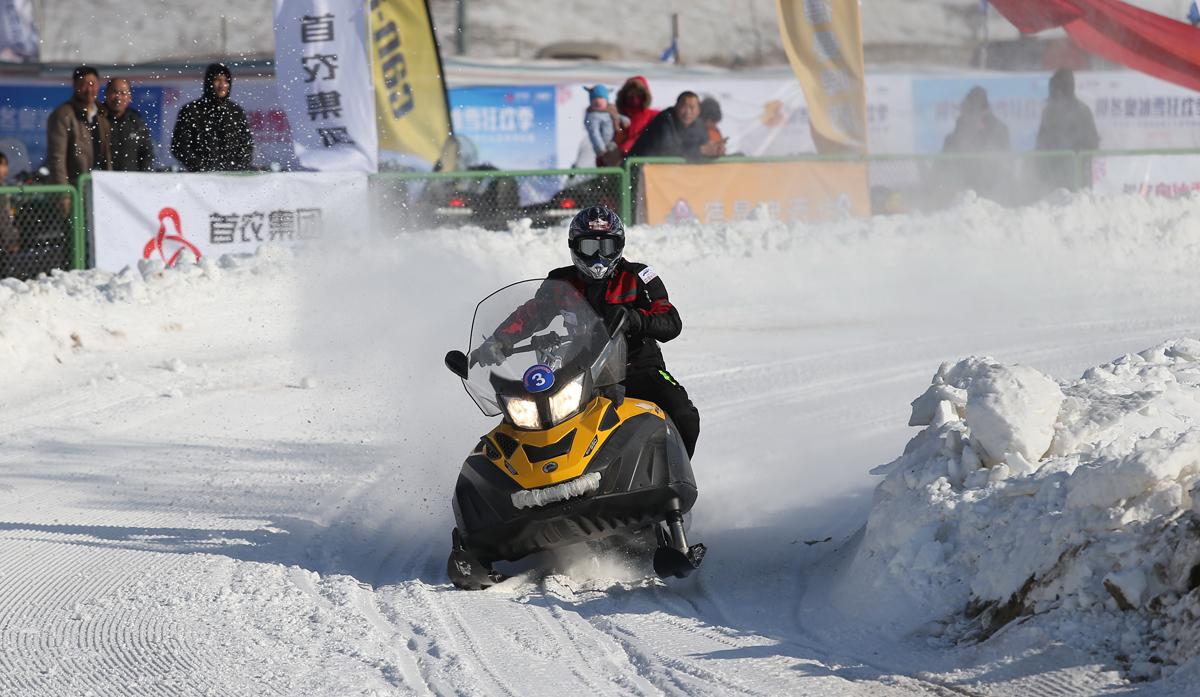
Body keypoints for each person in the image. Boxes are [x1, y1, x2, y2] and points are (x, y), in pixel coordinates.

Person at [472, 206, 700, 457]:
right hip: (581, 369)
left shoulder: (638, 276)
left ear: (620, 245)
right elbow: (532, 314)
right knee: (534, 416)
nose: (599, 257)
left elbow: (670, 320)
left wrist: (634, 319)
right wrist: (501, 339)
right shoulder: (561, 283)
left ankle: (676, 474)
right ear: (575, 247)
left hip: (637, 364)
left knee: (683, 413)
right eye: (590, 247)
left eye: (607, 247)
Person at [170, 63, 254, 172]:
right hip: (201, 180)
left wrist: (237, 169)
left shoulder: (236, 112)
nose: (222, 85)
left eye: (226, 81)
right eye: (217, 80)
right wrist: (202, 169)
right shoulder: (191, 111)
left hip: (233, 180)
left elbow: (246, 146)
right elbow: (179, 147)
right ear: (209, 82)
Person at [938, 86, 1011, 203]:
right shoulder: (963, 125)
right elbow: (951, 155)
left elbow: (1003, 159)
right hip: (964, 183)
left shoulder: (997, 128)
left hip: (990, 183)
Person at [46, 65, 112, 190]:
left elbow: (106, 155)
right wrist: (63, 192)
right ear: (75, 86)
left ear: (99, 85)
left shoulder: (102, 114)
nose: (89, 89)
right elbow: (57, 158)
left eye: (93, 84)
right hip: (75, 187)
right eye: (83, 84)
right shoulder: (63, 115)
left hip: (100, 187)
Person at [1035, 69, 1099, 192]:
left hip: (1076, 176)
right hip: (1051, 176)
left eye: (1057, 89)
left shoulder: (1082, 112)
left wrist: (1076, 155)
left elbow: (1092, 143)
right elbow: (1041, 143)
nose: (1055, 93)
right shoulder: (1048, 112)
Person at [629, 91, 725, 160]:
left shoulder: (698, 125)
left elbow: (703, 146)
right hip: (638, 171)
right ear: (676, 107)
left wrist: (715, 150)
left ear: (698, 110)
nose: (687, 112)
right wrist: (700, 150)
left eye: (692, 108)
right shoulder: (665, 120)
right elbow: (667, 150)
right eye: (684, 106)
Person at [103, 78, 155, 172]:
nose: (118, 97)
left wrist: (144, 176)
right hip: (101, 181)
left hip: (130, 181)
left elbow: (147, 153)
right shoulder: (96, 119)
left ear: (129, 97)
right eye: (115, 92)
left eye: (123, 93)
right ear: (106, 94)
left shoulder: (136, 121)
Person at [583, 85, 629, 167]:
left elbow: (616, 117)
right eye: (595, 99)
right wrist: (601, 149)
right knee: (608, 168)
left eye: (601, 98)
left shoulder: (611, 110)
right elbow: (594, 133)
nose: (598, 102)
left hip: (614, 143)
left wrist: (624, 119)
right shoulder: (593, 116)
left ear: (606, 100)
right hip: (605, 149)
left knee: (619, 163)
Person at [616, 76, 658, 156]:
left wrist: (627, 146)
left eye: (638, 95)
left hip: (646, 161)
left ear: (645, 97)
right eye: (631, 95)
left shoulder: (654, 116)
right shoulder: (618, 118)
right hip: (619, 162)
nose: (634, 100)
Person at [0, 152, 17, 276]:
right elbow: (3, 219)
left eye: (5, 165)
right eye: (1, 165)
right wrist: (10, 241)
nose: (4, 169)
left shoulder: (5, 188)